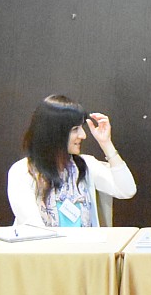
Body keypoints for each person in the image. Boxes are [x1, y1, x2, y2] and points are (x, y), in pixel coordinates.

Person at [8, 95, 135, 228]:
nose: (83, 135)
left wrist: (106, 143)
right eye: (75, 129)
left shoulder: (85, 165)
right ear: (54, 132)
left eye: (81, 128)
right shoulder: (22, 172)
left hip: (88, 242)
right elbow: (34, 227)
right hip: (44, 242)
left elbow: (127, 190)